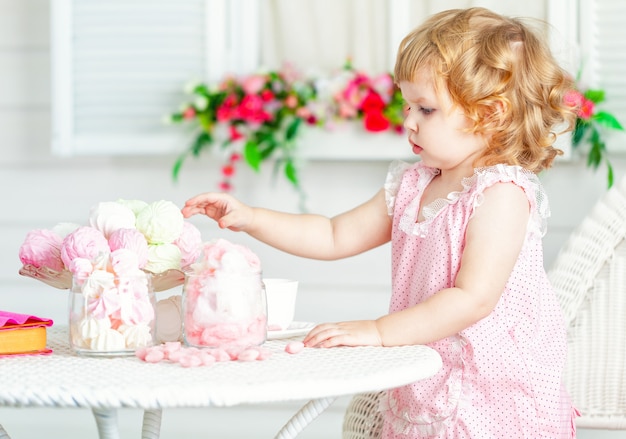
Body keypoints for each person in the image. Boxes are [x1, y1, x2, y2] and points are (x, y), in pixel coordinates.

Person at [182, 7, 579, 438]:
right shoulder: (413, 184)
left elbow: (472, 299)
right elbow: (333, 235)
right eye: (407, 105)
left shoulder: (500, 193)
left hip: (492, 396)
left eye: (426, 109)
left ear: (490, 114)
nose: (407, 121)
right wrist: (252, 218)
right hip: (427, 378)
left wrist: (377, 331)